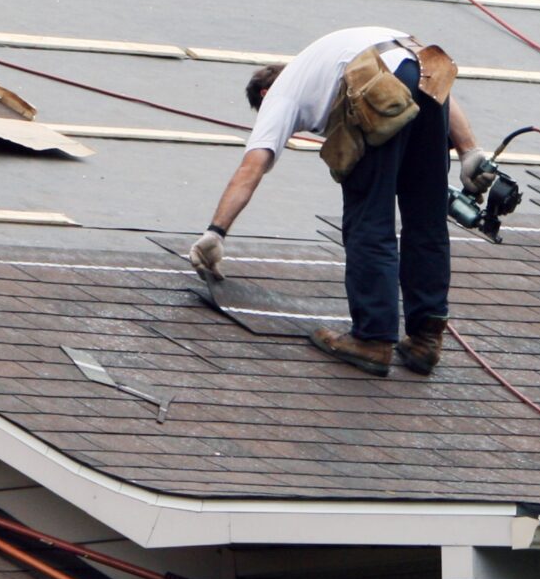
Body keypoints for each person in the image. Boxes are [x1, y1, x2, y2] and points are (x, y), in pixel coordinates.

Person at [190, 26, 492, 377]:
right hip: (424, 67)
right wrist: (470, 151)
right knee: (426, 215)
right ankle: (426, 340)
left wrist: (216, 232)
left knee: (369, 216)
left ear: (263, 91)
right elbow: (427, 83)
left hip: (379, 83)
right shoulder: (324, 61)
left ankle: (372, 339)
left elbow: (252, 166)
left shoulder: (280, 94)